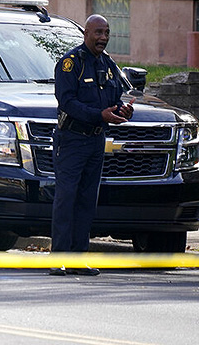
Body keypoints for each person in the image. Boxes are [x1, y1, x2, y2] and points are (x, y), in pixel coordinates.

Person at [50, 14, 135, 276]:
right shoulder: (70, 63)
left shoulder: (109, 65)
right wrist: (99, 115)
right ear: (86, 33)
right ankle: (58, 259)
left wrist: (122, 111)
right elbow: (67, 102)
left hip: (96, 140)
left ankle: (78, 257)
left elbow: (113, 99)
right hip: (72, 140)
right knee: (66, 198)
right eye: (98, 32)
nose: (103, 38)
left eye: (106, 33)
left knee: (87, 199)